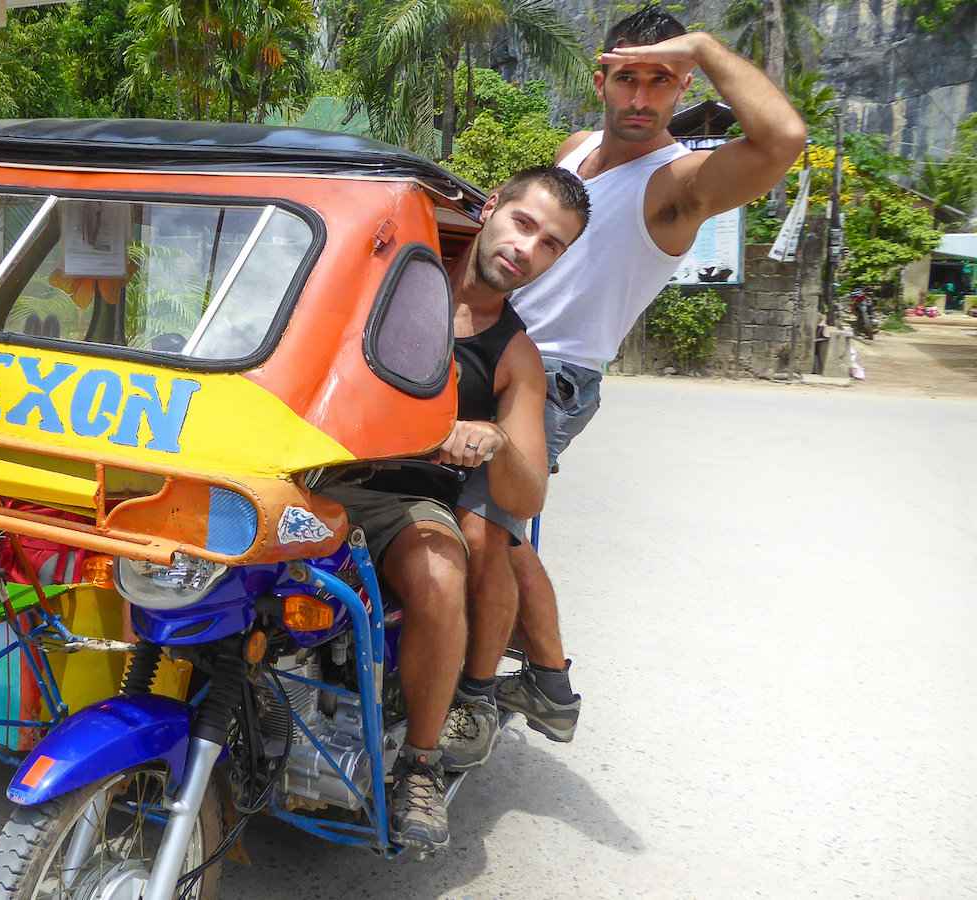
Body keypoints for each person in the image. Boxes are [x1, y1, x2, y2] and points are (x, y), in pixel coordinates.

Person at [446, 2, 807, 760]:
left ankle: (474, 702)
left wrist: (705, 46)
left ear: (682, 87)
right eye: (628, 78)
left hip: (556, 373)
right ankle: (545, 680)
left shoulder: (677, 182)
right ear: (601, 77)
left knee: (488, 527)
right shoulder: (575, 150)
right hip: (485, 345)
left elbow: (783, 141)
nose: (642, 100)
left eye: (664, 81)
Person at [321, 166, 591, 849]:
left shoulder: (515, 356)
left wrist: (498, 438)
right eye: (524, 224)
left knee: (443, 570)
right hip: (314, 473)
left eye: (552, 244)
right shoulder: (388, 279)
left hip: (405, 504)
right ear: (492, 208)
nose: (528, 248)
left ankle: (420, 762)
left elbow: (526, 496)